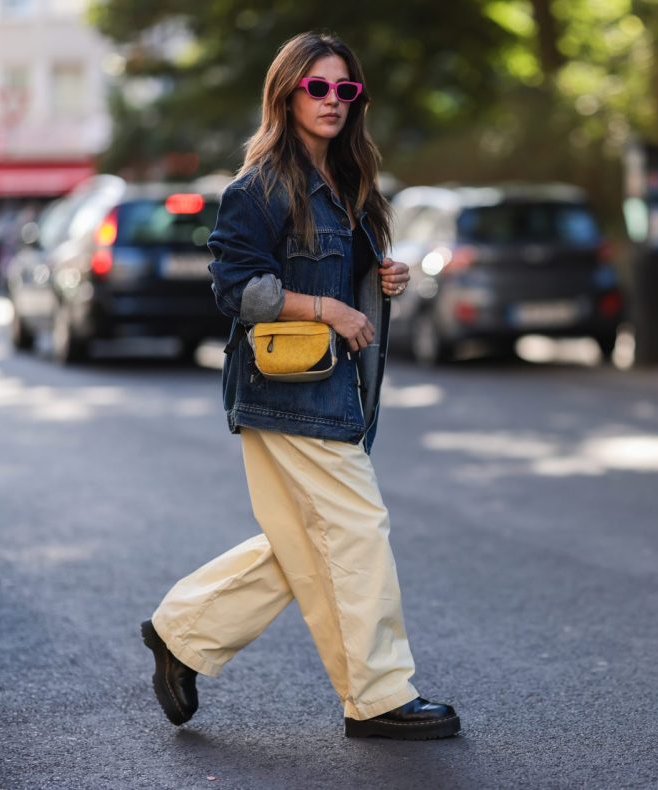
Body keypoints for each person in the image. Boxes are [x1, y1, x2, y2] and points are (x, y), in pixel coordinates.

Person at [139, 31, 460, 741]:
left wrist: (379, 283)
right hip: (285, 386)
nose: (333, 101)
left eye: (345, 90)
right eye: (319, 87)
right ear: (287, 92)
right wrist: (327, 307)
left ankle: (182, 632)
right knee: (356, 529)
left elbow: (336, 281)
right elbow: (235, 289)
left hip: (335, 386)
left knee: (303, 544)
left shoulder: (352, 184)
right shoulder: (255, 190)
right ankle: (378, 696)